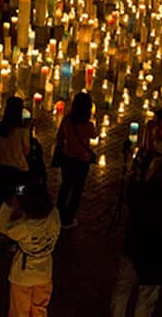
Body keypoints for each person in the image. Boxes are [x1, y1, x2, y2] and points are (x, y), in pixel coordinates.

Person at [110, 108, 162, 317]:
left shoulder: (138, 191)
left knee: (123, 287)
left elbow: (131, 182)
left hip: (134, 244)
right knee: (147, 295)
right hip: (156, 250)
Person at [0, 183, 61, 317]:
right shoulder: (54, 215)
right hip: (45, 273)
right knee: (40, 310)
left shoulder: (22, 227)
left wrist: (11, 206)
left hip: (23, 276)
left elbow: (2, 228)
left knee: (19, 311)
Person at [0, 96, 30, 249]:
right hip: (20, 174)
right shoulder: (22, 132)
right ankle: (12, 240)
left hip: (2, 171)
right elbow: (26, 151)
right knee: (17, 205)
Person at [55, 91, 96, 229]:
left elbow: (60, 136)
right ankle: (68, 218)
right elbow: (94, 135)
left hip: (67, 158)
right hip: (82, 161)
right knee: (77, 190)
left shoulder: (67, 120)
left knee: (65, 186)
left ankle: (58, 214)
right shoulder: (88, 125)